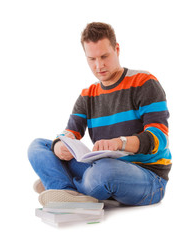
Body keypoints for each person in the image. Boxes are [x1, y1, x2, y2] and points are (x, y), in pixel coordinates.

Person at [28, 22, 172, 207]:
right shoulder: (88, 95)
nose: (99, 65)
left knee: (104, 171)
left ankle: (58, 182)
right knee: (39, 146)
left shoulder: (144, 83)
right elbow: (70, 132)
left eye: (105, 56)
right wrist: (59, 144)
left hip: (148, 176)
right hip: (102, 167)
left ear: (117, 49)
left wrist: (120, 143)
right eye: (92, 59)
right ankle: (67, 192)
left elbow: (159, 138)